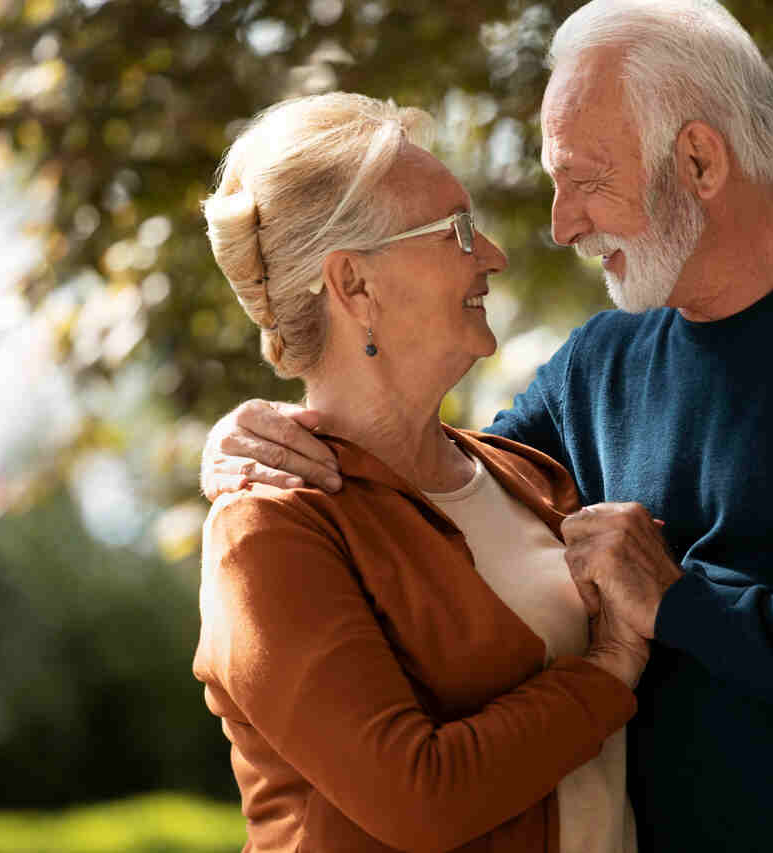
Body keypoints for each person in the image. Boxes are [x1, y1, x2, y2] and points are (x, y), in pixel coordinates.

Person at [201, 1, 773, 849]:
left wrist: (684, 608)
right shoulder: (595, 369)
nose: (560, 227)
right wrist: (245, 439)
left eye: (585, 179)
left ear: (699, 159)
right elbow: (426, 497)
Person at [194, 92, 649, 853]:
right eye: (457, 232)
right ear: (353, 285)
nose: (494, 256)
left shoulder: (523, 472)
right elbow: (421, 799)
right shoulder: (269, 527)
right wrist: (612, 665)